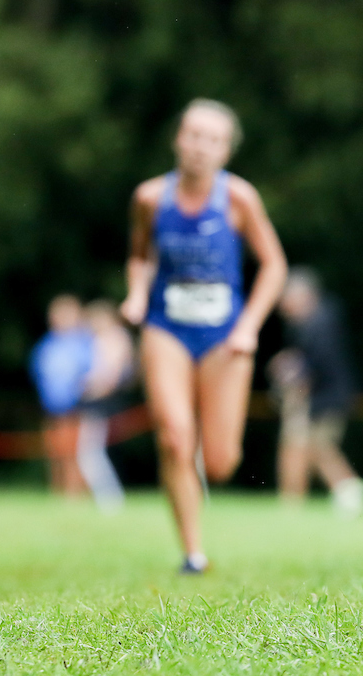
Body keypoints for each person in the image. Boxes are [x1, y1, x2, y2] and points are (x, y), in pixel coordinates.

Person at [120, 98, 286, 574]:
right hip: (165, 328)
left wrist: (250, 326)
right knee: (174, 438)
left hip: (225, 336)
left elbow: (274, 265)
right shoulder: (150, 198)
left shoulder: (239, 199)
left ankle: (206, 480)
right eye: (192, 135)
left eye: (211, 140)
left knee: (219, 462)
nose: (199, 147)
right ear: (178, 139)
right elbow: (139, 255)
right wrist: (135, 294)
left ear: (226, 151)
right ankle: (193, 553)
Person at [271, 267, 362, 514]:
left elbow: (317, 365)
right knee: (315, 447)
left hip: (326, 399)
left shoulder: (318, 323)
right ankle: (341, 493)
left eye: (286, 298)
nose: (282, 305)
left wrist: (291, 369)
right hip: (327, 398)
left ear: (303, 295)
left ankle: (348, 492)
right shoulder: (315, 321)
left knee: (316, 447)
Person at [29, 294, 92, 498]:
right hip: (52, 410)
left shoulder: (85, 343)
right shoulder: (45, 346)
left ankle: (76, 495)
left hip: (78, 410)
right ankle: (58, 492)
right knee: (55, 454)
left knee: (77, 455)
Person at [75, 300, 134, 513]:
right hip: (100, 401)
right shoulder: (101, 339)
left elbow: (110, 376)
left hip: (102, 403)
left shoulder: (114, 338)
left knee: (90, 453)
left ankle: (110, 499)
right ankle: (108, 498)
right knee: (91, 453)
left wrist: (88, 386)